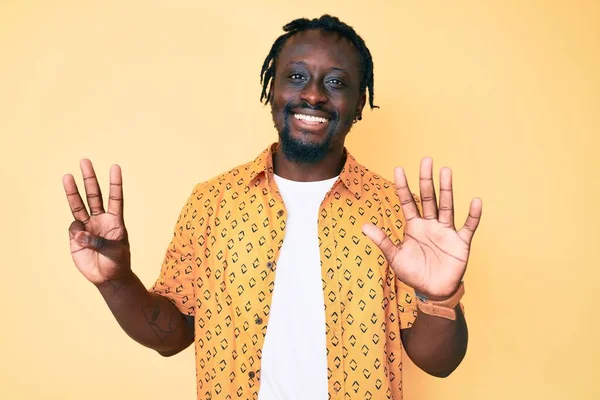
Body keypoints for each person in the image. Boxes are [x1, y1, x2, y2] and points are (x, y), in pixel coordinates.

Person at [63, 15, 482, 400]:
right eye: (297, 76)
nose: (314, 94)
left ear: (359, 104)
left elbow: (438, 363)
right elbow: (172, 336)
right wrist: (115, 281)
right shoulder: (213, 202)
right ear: (271, 90)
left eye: (336, 83)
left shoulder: (395, 212)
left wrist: (438, 295)